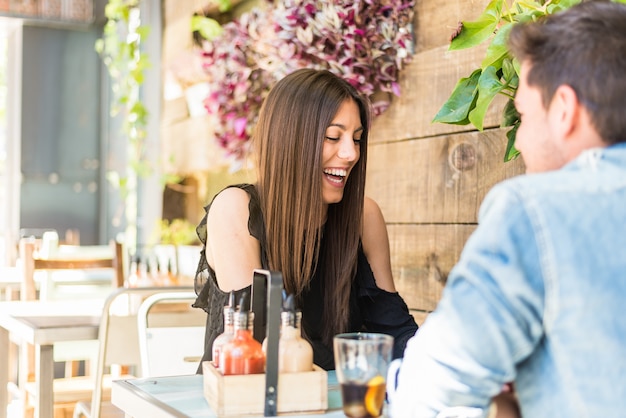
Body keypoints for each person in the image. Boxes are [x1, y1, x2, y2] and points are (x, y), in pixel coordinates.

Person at [388, 1, 626, 416]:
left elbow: (431, 392)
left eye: (524, 116)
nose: (522, 143)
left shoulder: (538, 210)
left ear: (565, 111)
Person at [192, 68, 418, 371]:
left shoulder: (365, 217)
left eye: (357, 138)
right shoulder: (236, 209)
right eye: (333, 137)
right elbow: (264, 341)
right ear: (290, 140)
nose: (351, 154)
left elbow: (393, 331)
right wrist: (354, 362)